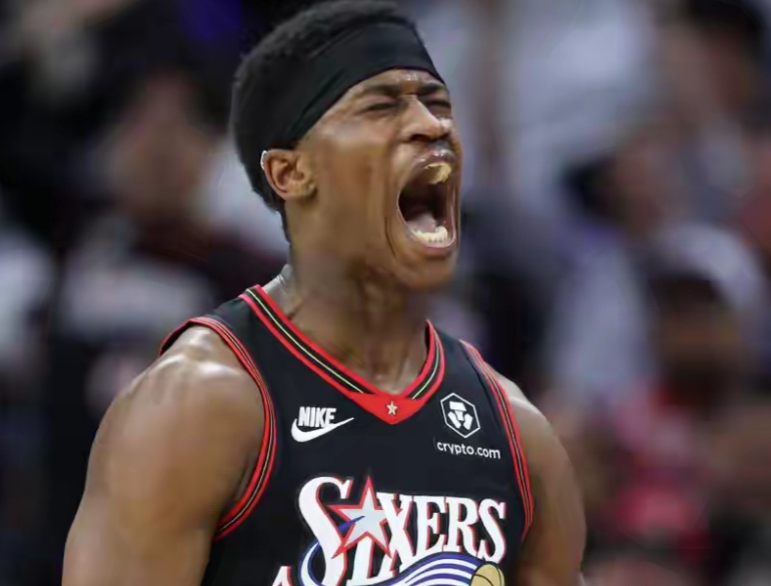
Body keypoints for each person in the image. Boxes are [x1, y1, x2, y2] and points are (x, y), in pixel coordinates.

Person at [62, 2, 586, 585]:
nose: (430, 129)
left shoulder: (516, 432)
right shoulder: (198, 405)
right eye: (380, 108)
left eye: (438, 105)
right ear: (291, 174)